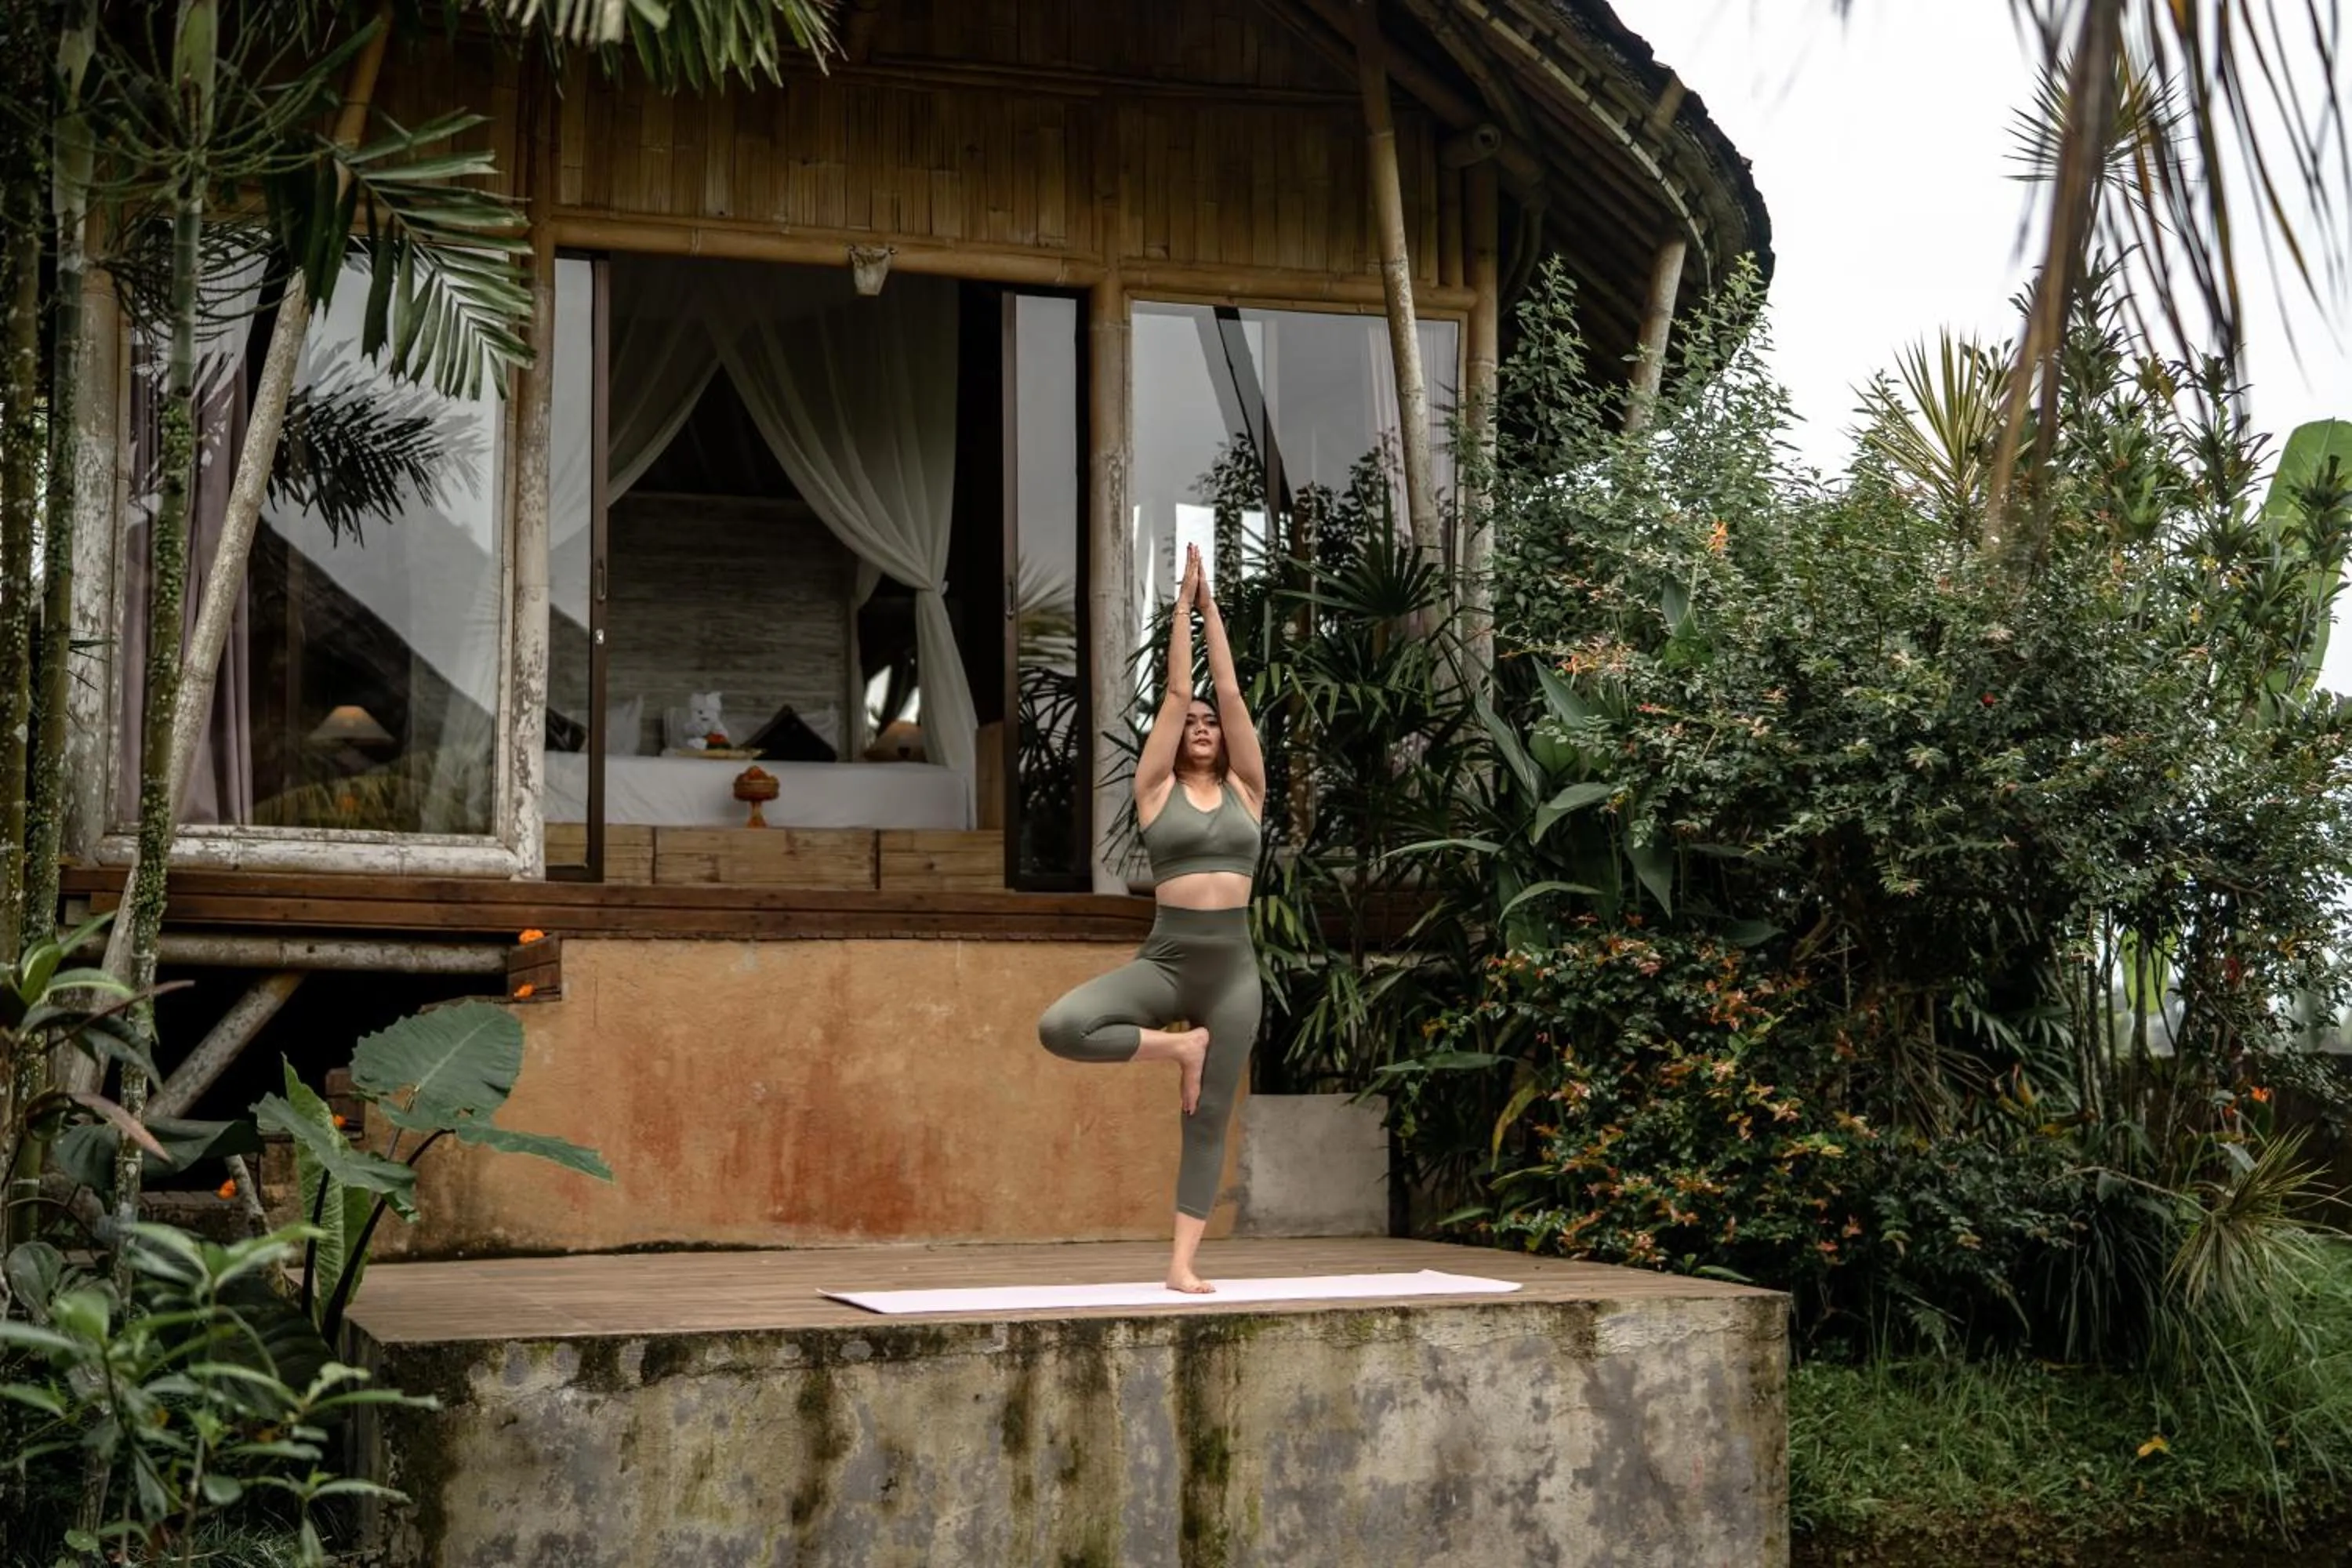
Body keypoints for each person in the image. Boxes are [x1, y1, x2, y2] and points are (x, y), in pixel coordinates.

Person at [1037, 542, 1265, 1294]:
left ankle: (1180, 1264)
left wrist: (1212, 612)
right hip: (1166, 962)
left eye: (1211, 722)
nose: (1202, 722)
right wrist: (1178, 612)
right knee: (1062, 1026)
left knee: (1207, 1120)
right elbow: (1175, 695)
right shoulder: (1154, 791)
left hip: (1232, 970)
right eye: (1190, 721)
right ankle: (1180, 1050)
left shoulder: (1247, 790)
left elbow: (1228, 691)